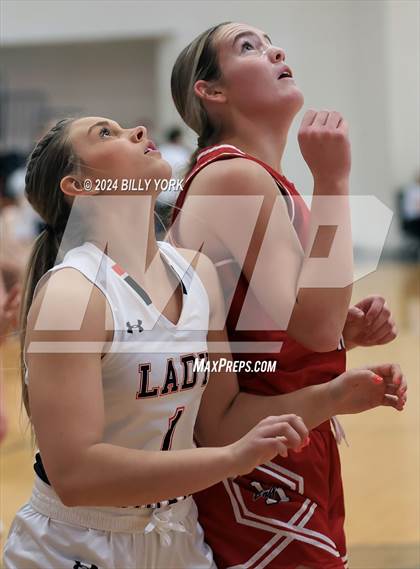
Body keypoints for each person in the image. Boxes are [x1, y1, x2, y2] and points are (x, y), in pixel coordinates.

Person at [2, 115, 312, 569]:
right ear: (79, 186)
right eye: (105, 133)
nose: (137, 132)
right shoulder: (72, 293)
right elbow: (76, 476)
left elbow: (222, 417)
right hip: (76, 542)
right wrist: (230, 460)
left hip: (179, 532)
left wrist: (338, 394)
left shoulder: (197, 272)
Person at [169, 22, 405, 569]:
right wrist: (334, 180)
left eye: (270, 41)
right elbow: (314, 331)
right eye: (247, 47)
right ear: (212, 91)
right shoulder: (233, 176)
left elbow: (282, 333)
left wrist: (344, 330)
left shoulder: (256, 178)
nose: (274, 50)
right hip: (256, 464)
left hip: (283, 441)